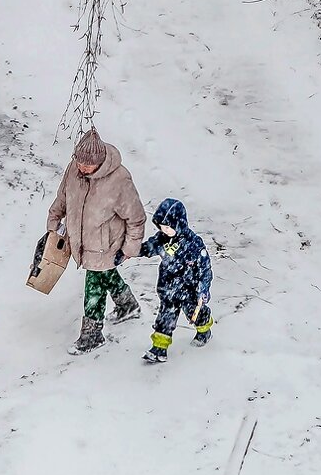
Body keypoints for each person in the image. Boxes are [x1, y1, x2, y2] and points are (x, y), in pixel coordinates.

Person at [47, 128, 146, 354]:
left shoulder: (119, 179)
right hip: (81, 239)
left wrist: (130, 248)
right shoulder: (74, 170)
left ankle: (92, 335)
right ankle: (128, 305)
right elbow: (62, 198)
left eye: (86, 165)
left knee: (94, 285)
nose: (81, 168)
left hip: (106, 244)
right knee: (105, 275)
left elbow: (136, 217)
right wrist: (54, 222)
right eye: (78, 162)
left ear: (100, 162)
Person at [138, 198, 214, 364]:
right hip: (169, 290)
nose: (164, 231)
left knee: (195, 314)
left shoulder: (194, 244)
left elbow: (205, 268)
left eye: (168, 227)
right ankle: (159, 348)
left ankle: (204, 329)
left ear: (179, 224)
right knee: (165, 318)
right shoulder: (162, 239)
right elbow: (148, 248)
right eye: (162, 227)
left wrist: (203, 288)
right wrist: (131, 251)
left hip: (189, 291)